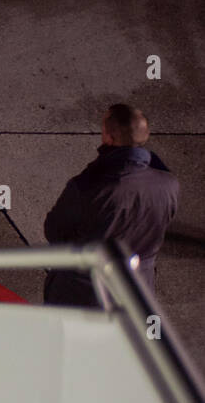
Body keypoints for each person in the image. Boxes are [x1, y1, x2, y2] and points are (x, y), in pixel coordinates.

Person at [43, 104, 178, 306]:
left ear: (109, 137)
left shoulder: (89, 186)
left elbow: (54, 230)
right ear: (146, 134)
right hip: (137, 288)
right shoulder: (169, 184)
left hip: (83, 290)